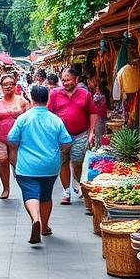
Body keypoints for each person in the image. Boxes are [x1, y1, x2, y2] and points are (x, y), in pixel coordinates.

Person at [6, 84, 73, 245]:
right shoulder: (55, 119)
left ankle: (35, 220)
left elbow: (11, 139)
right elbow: (67, 142)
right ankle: (45, 227)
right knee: (45, 196)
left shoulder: (24, 118)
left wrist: (19, 149)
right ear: (47, 99)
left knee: (30, 194)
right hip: (50, 166)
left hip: (27, 165)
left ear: (32, 98)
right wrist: (57, 150)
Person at [48, 66, 97, 205]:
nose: (65, 83)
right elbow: (49, 114)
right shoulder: (55, 94)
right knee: (62, 162)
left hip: (80, 133)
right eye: (63, 80)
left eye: (68, 80)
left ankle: (76, 181)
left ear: (76, 79)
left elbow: (93, 112)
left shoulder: (85, 94)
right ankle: (66, 191)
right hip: (61, 136)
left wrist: (92, 132)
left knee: (77, 161)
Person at [0, 74, 29, 199]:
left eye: (11, 84)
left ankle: (25, 186)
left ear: (15, 85)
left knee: (16, 162)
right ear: (1, 87)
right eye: (5, 84)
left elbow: (29, 119)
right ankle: (5, 188)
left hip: (17, 138)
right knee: (2, 161)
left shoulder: (22, 101)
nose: (8, 87)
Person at [87, 74, 110, 149]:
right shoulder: (101, 95)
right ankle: (100, 148)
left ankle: (99, 149)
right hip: (102, 116)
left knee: (99, 136)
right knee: (101, 135)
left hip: (99, 117)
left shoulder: (97, 96)